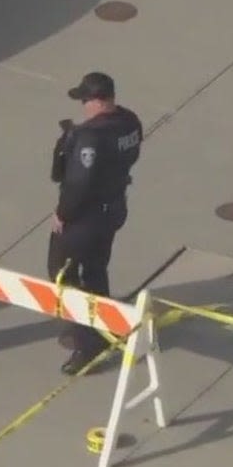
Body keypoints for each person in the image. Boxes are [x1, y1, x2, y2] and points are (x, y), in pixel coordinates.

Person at [48, 72, 144, 374]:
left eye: (85, 101)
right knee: (96, 270)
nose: (83, 108)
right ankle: (107, 326)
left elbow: (77, 183)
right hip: (114, 209)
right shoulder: (130, 121)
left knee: (63, 276)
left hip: (85, 219)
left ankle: (87, 344)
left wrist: (62, 214)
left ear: (98, 101)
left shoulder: (89, 137)